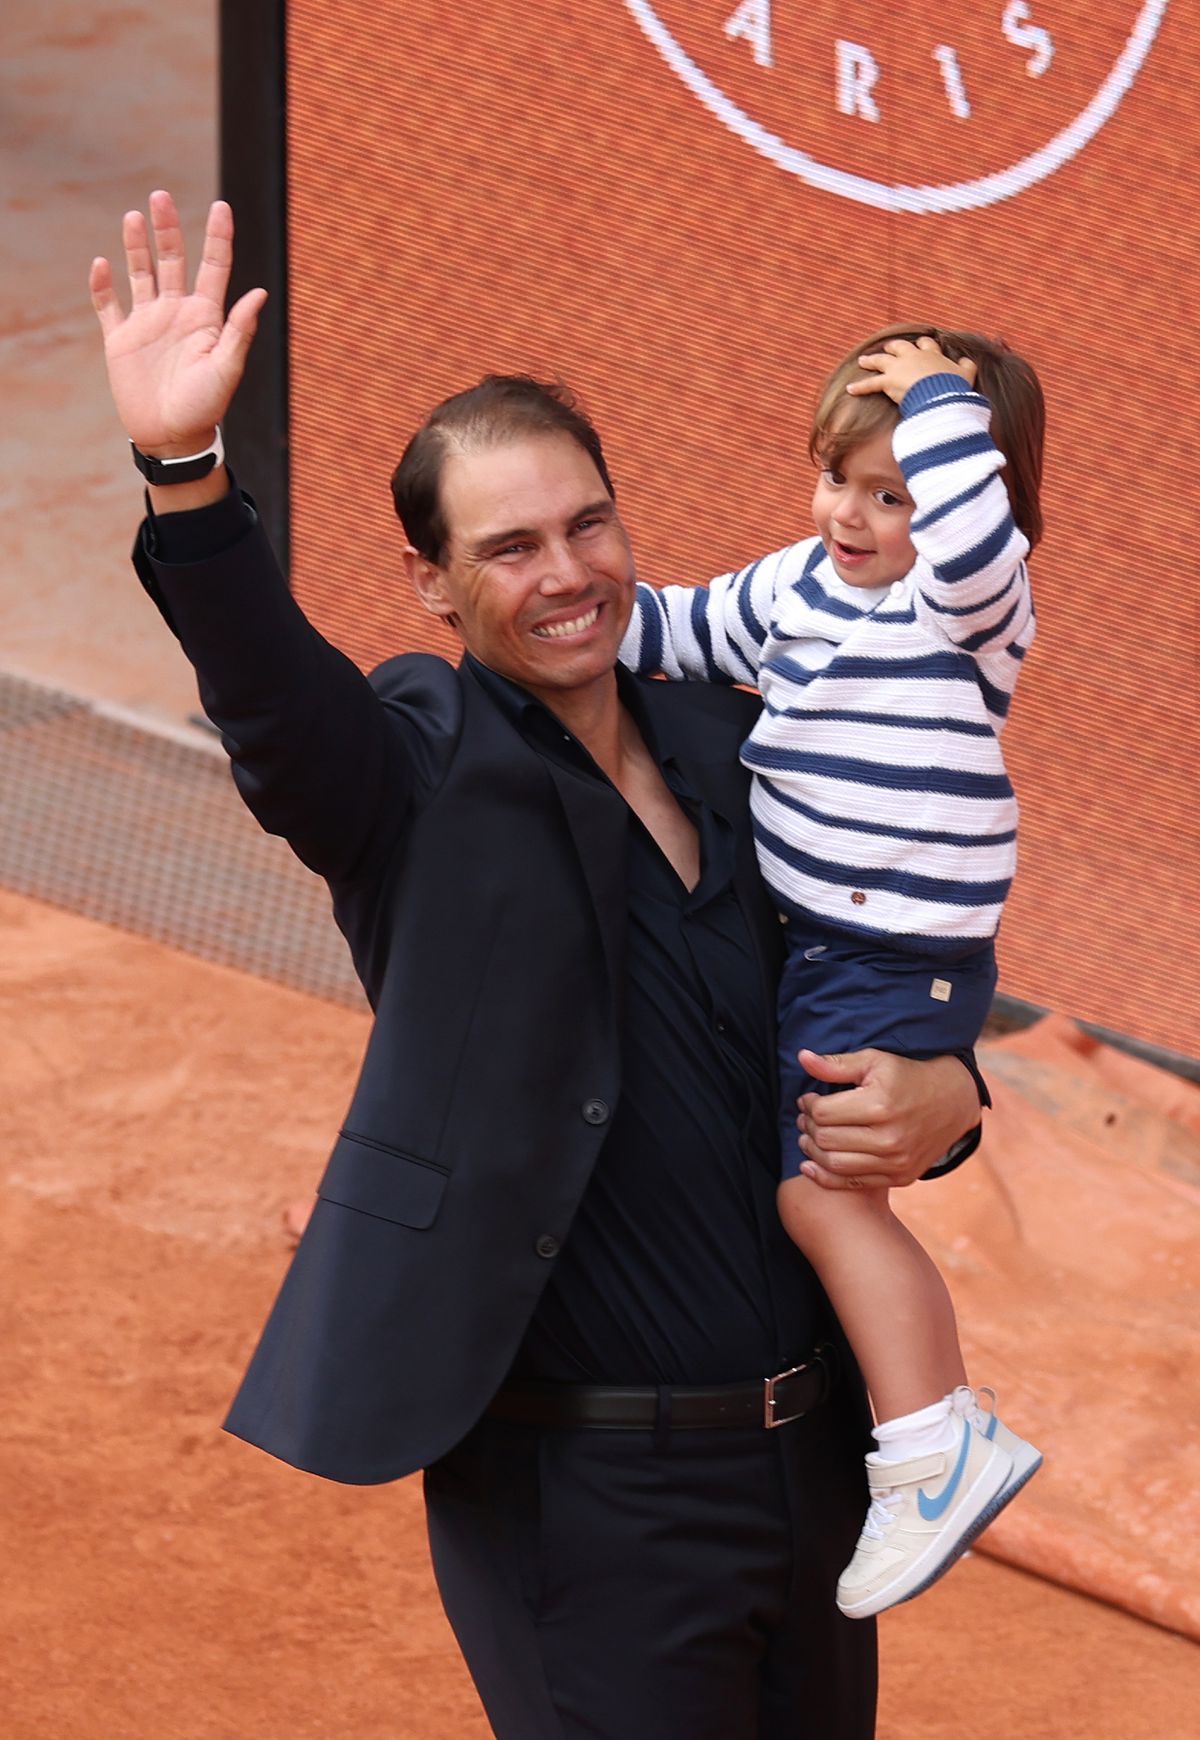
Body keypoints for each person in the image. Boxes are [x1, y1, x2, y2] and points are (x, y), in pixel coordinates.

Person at [90, 193, 987, 1739]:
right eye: (508, 548)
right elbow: (276, 709)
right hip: (585, 1501)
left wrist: (947, 1091)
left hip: (815, 1458)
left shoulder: (739, 741)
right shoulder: (415, 773)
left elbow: (891, 947)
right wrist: (188, 476)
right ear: (436, 588)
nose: (566, 572)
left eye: (588, 524)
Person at [620, 325, 1046, 1618]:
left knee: (823, 1197)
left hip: (896, 957)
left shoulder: (967, 608)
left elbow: (974, 540)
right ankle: (928, 1436)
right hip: (819, 955)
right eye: (836, 477)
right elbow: (671, 630)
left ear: (975, 498)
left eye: (895, 493)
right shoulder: (796, 589)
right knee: (815, 1184)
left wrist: (936, 404)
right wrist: (548, 601)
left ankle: (933, 1439)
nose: (851, 515)